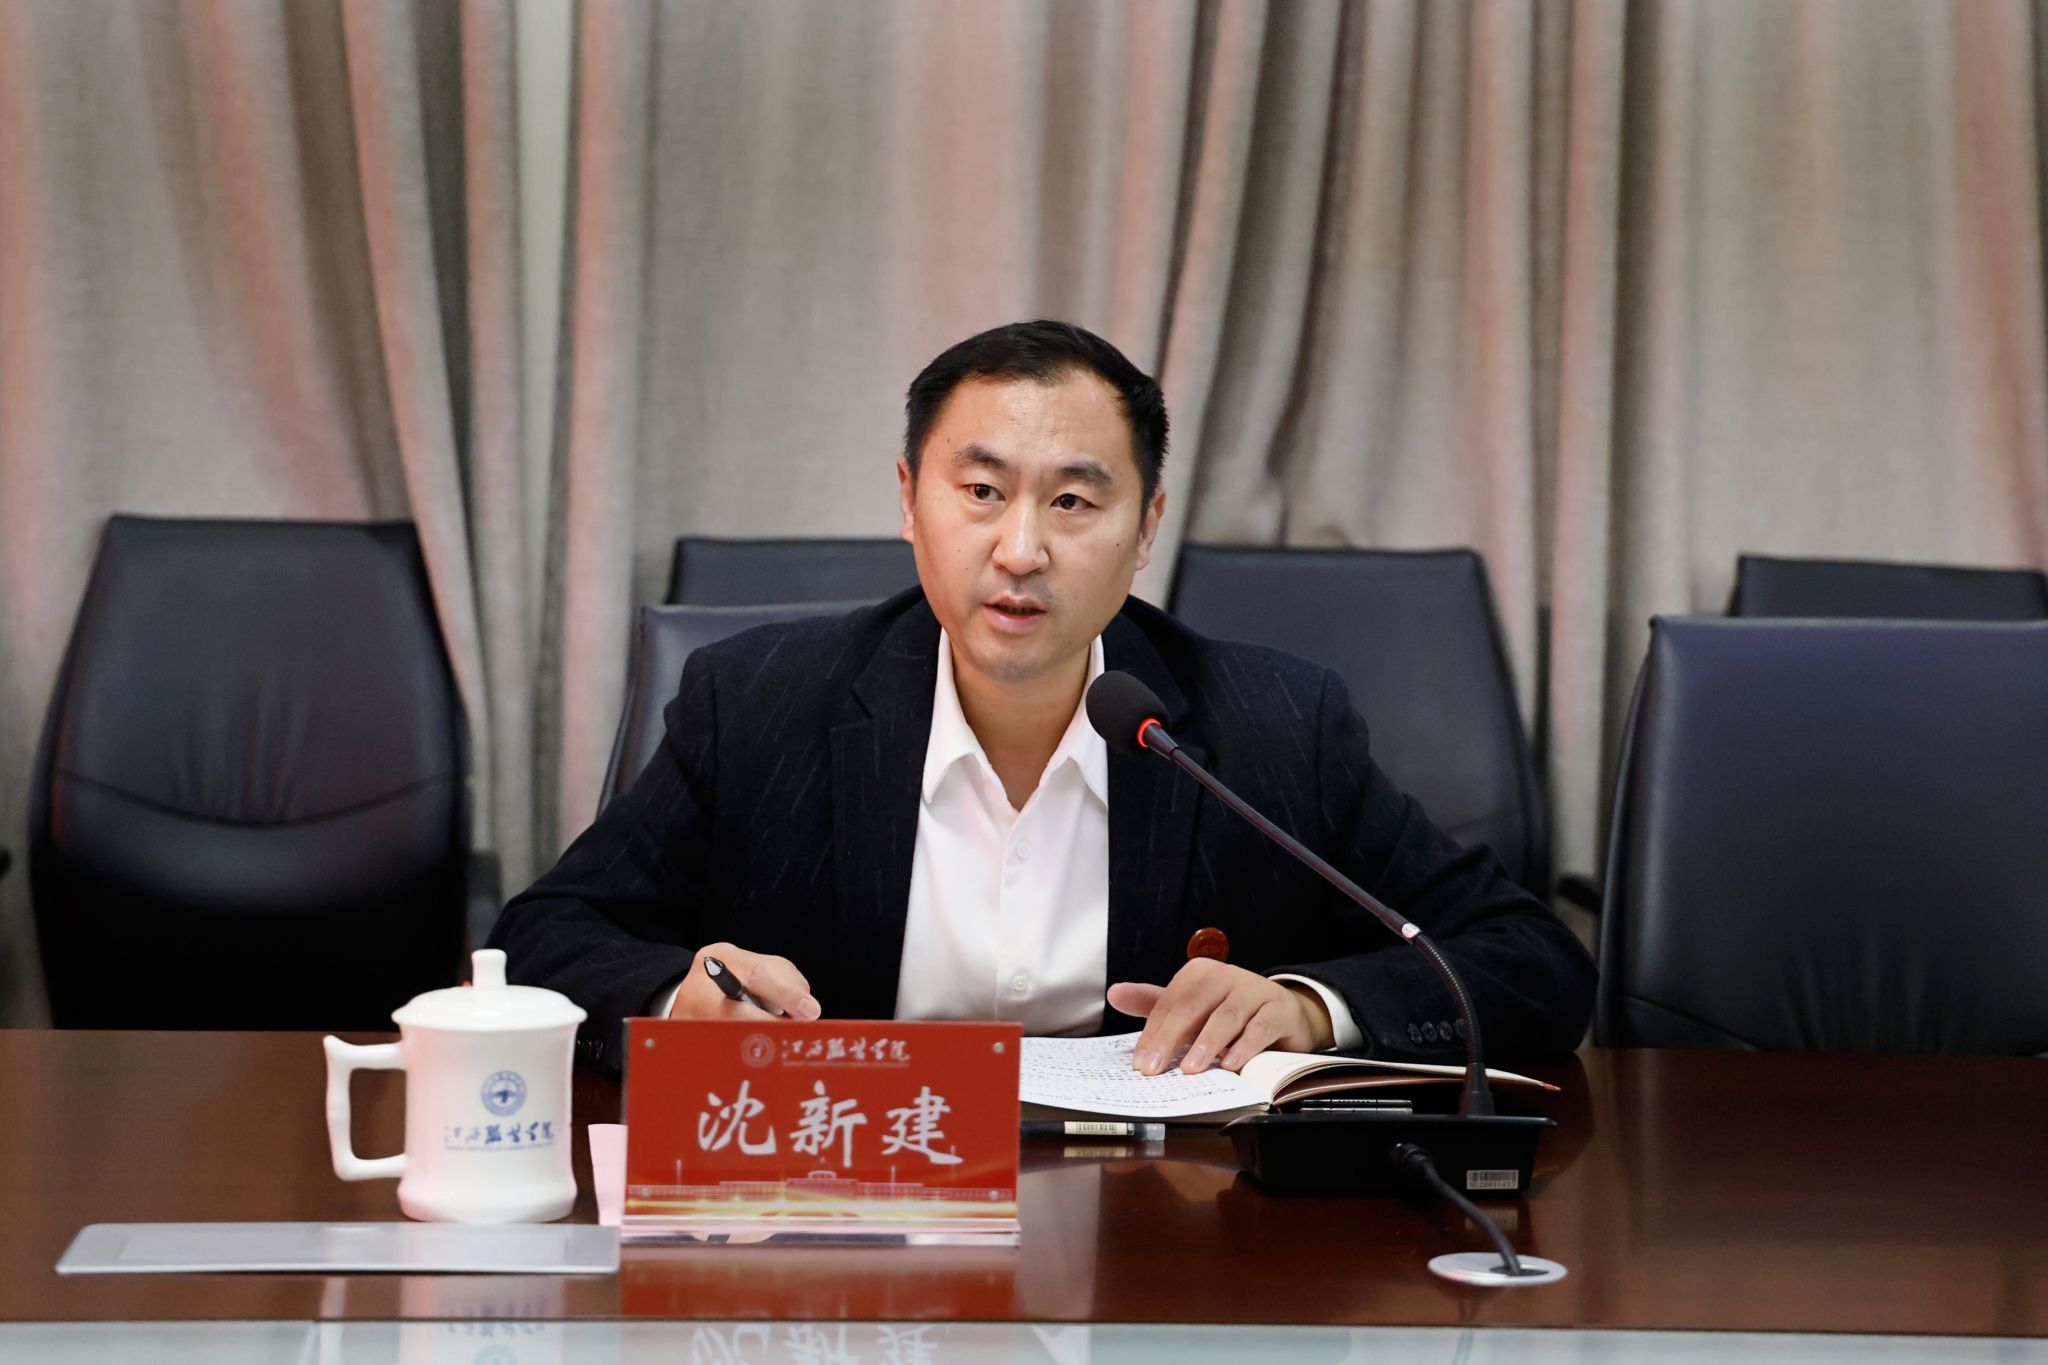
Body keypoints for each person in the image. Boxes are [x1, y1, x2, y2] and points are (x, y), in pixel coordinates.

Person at [492, 320, 1595, 1076]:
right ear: (909, 500)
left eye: (1073, 502)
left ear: (1145, 526)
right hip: (852, 1212)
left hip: (1158, 1233)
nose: (1019, 549)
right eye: (980, 491)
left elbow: (1528, 962)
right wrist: (676, 1002)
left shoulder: (1272, 725)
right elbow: (544, 936)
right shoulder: (759, 703)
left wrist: (1311, 1007)